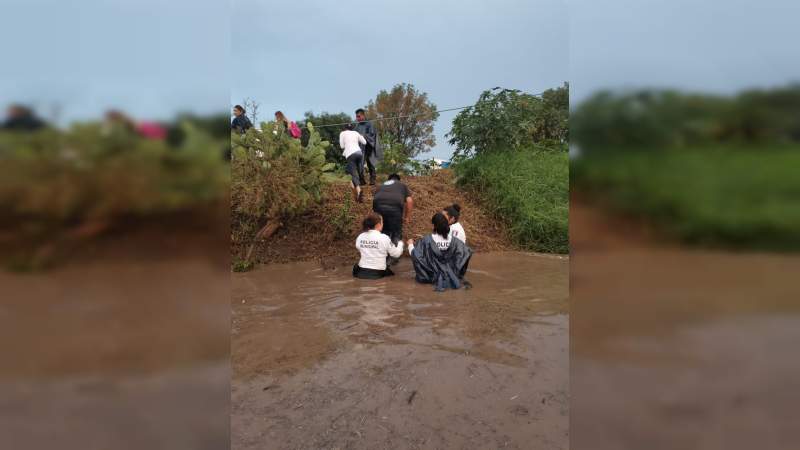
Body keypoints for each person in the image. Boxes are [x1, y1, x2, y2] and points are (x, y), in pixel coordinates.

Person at [407, 212, 473, 291]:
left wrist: (410, 245)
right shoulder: (455, 241)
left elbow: (416, 257)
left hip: (433, 278)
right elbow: (466, 252)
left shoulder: (427, 240)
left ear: (434, 226)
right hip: (451, 277)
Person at [353, 213, 404, 279]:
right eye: (382, 222)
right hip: (378, 273)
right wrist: (400, 243)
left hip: (360, 272)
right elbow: (396, 254)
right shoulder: (384, 238)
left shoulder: (360, 236)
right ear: (378, 225)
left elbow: (358, 248)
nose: (383, 224)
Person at [372, 173, 413, 246]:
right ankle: (395, 251)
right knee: (396, 233)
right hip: (394, 209)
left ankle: (381, 250)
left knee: (382, 231)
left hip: (378, 207)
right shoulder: (402, 185)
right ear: (398, 180)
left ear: (389, 179)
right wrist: (407, 217)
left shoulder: (381, 185)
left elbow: (375, 197)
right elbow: (409, 201)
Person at [339, 123, 367, 203]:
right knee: (349, 173)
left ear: (344, 128)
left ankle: (359, 191)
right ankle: (356, 196)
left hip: (350, 155)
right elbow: (364, 142)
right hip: (359, 153)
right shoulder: (356, 133)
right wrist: (360, 136)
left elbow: (342, 146)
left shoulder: (342, 133)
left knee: (353, 174)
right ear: (352, 128)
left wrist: (347, 143)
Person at [354, 108, 381, 185]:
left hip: (369, 147)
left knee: (370, 164)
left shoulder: (369, 124)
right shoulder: (357, 126)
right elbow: (354, 134)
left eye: (358, 116)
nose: (357, 118)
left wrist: (364, 136)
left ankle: (372, 180)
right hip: (360, 148)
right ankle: (362, 180)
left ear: (363, 115)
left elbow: (372, 135)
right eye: (356, 117)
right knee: (359, 164)